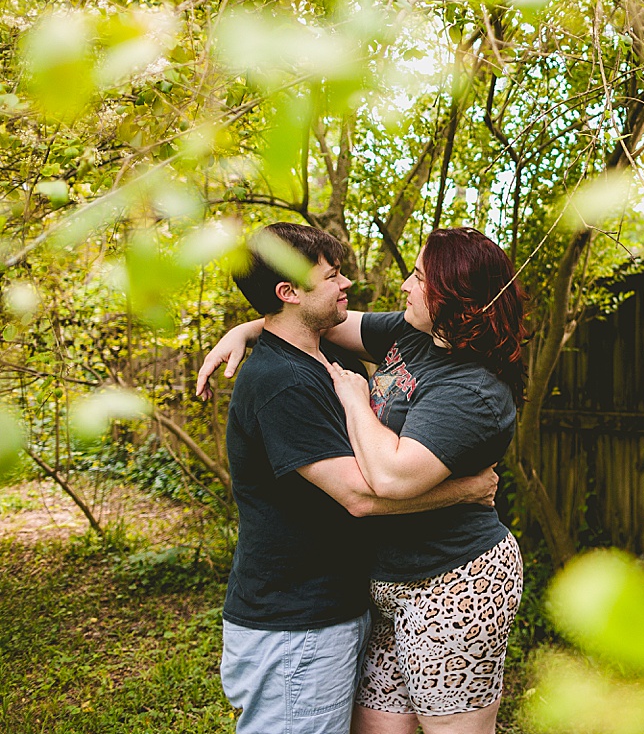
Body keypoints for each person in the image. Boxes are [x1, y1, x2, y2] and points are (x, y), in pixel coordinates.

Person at [201, 226, 526, 734]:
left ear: (453, 299)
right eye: (332, 275)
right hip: (384, 584)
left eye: (418, 277)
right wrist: (245, 329)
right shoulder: (408, 335)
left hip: (454, 581)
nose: (403, 285)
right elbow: (314, 322)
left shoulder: (470, 387)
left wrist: (356, 400)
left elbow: (388, 478)